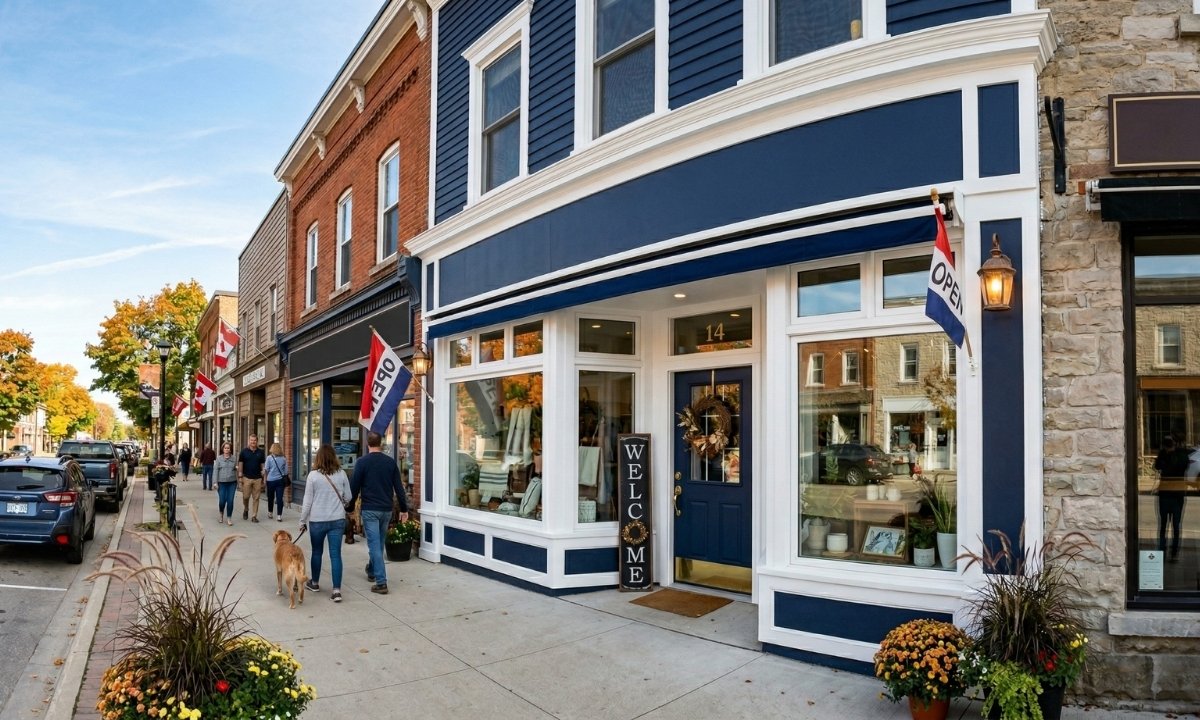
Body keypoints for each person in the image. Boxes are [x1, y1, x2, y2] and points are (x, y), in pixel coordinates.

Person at [349, 431, 409, 595]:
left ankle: (381, 582)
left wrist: (350, 507)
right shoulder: (390, 463)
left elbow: (354, 487)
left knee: (374, 545)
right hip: (386, 509)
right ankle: (372, 570)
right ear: (380, 443)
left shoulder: (362, 462)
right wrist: (404, 509)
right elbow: (399, 489)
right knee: (379, 543)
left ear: (368, 444)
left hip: (370, 510)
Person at [299, 444, 351, 603]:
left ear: (318, 458)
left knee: (316, 552)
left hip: (317, 520)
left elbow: (307, 502)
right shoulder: (342, 474)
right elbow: (348, 497)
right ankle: (336, 591)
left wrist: (302, 520)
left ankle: (314, 583)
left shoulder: (312, 476)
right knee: (336, 554)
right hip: (337, 519)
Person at [1153, 435, 1189, 562]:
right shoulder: (1173, 454)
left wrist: (1167, 453)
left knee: (1171, 526)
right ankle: (1168, 553)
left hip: (1171, 494)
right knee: (1169, 525)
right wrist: (1167, 452)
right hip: (1171, 494)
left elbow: (1162, 467)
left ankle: (1169, 552)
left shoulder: (1177, 455)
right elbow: (1157, 466)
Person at [237, 434, 266, 522]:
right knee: (246, 497)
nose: (253, 442)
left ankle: (254, 516)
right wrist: (240, 476)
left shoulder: (260, 452)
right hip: (246, 478)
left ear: (257, 441)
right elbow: (241, 464)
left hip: (257, 478)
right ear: (249, 441)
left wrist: (264, 476)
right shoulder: (244, 452)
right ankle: (246, 509)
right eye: (251, 440)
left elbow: (263, 465)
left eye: (254, 440)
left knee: (256, 498)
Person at [214, 442, 238, 526]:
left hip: (232, 483)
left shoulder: (234, 459)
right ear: (223, 449)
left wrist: (237, 469)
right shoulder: (219, 459)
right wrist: (215, 482)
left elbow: (236, 468)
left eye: (228, 448)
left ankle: (229, 517)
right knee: (222, 501)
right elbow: (216, 471)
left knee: (230, 501)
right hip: (222, 483)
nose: (227, 449)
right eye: (225, 448)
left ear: (230, 449)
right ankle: (221, 513)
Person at [264, 442, 289, 522]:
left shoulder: (269, 458)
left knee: (270, 497)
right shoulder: (284, 459)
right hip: (280, 481)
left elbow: (266, 469)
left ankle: (270, 512)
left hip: (270, 480)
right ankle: (279, 515)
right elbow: (286, 472)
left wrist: (265, 479)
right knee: (279, 498)